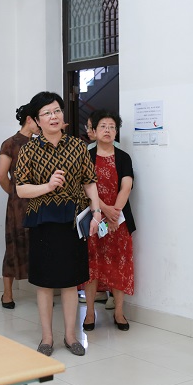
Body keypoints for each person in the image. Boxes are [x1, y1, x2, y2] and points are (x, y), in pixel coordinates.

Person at [15, 91, 100, 357]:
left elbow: (89, 181)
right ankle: (47, 338)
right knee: (45, 283)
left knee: (70, 281)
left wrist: (96, 211)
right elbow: (21, 189)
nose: (53, 117)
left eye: (57, 111)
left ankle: (71, 336)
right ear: (36, 120)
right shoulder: (29, 149)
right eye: (47, 113)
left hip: (72, 221)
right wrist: (48, 186)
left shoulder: (77, 146)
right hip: (43, 221)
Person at [81, 110, 136, 332]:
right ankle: (89, 312)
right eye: (103, 126)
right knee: (92, 266)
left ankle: (119, 312)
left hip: (119, 221)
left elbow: (126, 186)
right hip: (94, 220)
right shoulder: (87, 156)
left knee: (119, 265)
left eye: (112, 127)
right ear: (94, 131)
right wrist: (104, 209)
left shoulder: (124, 157)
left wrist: (115, 213)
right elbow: (86, 187)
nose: (108, 130)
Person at [0, 104, 39, 308]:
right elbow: (1, 176)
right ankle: (7, 294)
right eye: (39, 118)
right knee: (14, 245)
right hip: (19, 203)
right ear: (29, 119)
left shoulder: (41, 144)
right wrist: (15, 193)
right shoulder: (10, 143)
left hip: (39, 200)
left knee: (38, 245)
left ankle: (42, 293)